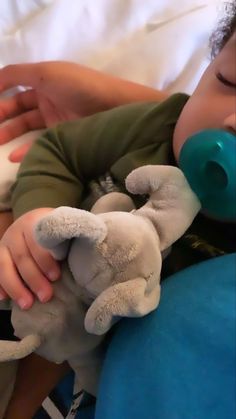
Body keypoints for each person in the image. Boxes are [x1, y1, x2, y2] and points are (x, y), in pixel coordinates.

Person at [0, 2, 236, 418]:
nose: (233, 120)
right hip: (43, 291)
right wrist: (34, 214)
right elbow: (58, 150)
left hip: (94, 367)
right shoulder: (160, 123)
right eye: (227, 81)